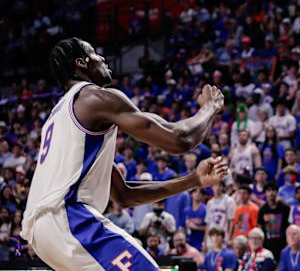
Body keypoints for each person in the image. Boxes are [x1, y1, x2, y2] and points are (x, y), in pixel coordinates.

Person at [20, 37, 228, 271]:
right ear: (81, 62)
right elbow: (179, 139)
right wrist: (209, 109)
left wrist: (193, 180)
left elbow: (124, 195)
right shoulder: (93, 98)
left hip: (42, 236)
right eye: (95, 53)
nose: (103, 58)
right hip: (68, 220)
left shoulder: (57, 119)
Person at [258, 181, 290, 259]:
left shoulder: (285, 208)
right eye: (268, 191)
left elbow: (289, 225)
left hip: (282, 244)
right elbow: (260, 227)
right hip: (267, 244)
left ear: (277, 192)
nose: (271, 193)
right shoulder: (262, 209)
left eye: (273, 190)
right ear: (265, 193)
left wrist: (288, 242)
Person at [205, 183, 236, 249]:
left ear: (223, 187)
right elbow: (208, 223)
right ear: (212, 187)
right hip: (211, 238)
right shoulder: (210, 203)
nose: (217, 187)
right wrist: (205, 242)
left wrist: (230, 238)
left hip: (224, 237)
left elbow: (232, 221)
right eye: (215, 185)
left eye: (220, 185)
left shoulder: (229, 201)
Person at [184, 187, 207, 252]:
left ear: (203, 195)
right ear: (191, 194)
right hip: (189, 244)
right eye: (195, 192)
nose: (197, 194)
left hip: (200, 243)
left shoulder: (205, 209)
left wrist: (196, 227)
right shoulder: (186, 210)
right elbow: (182, 227)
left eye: (200, 192)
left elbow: (209, 227)